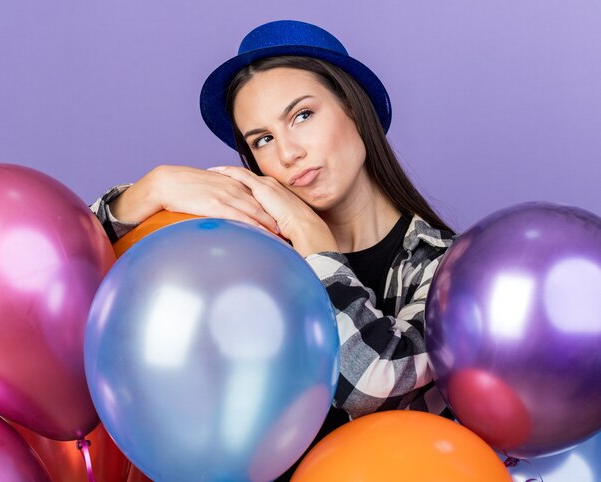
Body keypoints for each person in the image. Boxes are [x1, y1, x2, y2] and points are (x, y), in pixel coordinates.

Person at [91, 19, 455, 479]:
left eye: (302, 115)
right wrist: (144, 193)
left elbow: (375, 387)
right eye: (262, 139)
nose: (287, 153)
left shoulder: (447, 267)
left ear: (354, 110)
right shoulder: (248, 249)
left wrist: (315, 244)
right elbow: (62, 280)